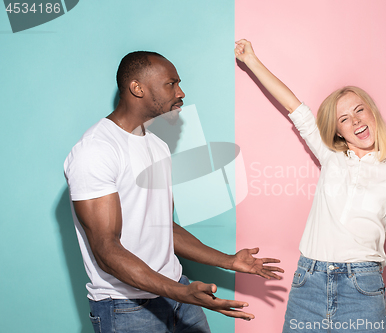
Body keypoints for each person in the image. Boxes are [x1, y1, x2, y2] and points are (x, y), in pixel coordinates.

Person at [234, 39, 386, 333]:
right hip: (309, 282)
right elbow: (294, 106)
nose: (355, 121)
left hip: (362, 290)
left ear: (372, 112)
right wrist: (251, 60)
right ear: (339, 132)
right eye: (344, 119)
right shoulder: (331, 156)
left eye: (359, 110)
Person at [64, 51, 284, 333]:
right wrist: (179, 292)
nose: (180, 92)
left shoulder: (157, 147)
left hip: (177, 292)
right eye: (171, 83)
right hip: (127, 307)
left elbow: (163, 228)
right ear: (137, 88)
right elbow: (106, 248)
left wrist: (228, 261)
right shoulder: (95, 151)